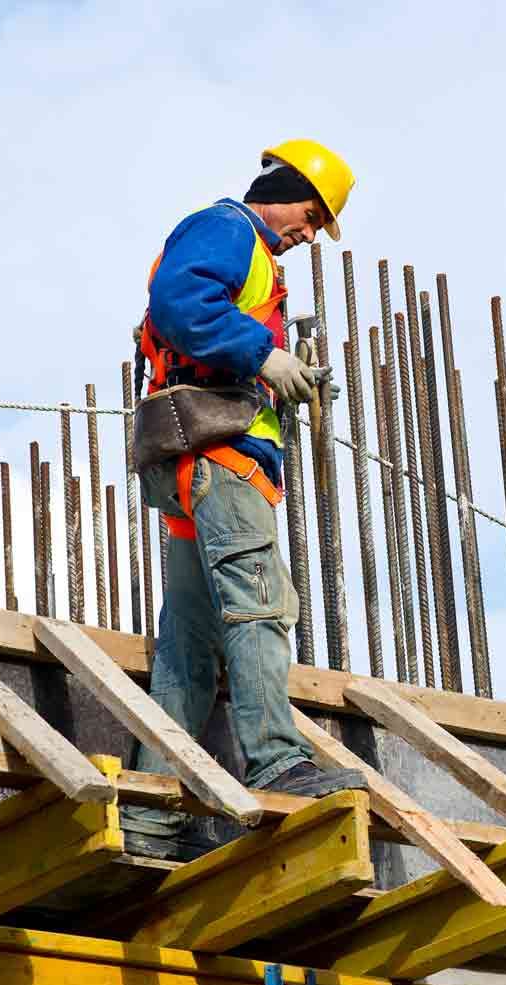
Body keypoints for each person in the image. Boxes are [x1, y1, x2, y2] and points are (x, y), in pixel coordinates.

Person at [121, 140, 366, 860]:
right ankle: (278, 760)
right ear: (282, 188)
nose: (310, 233)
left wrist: (281, 372)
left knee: (189, 649)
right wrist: (263, 357)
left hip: (200, 463)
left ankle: (151, 814)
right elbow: (179, 302)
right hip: (220, 460)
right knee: (261, 605)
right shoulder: (229, 229)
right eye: (311, 214)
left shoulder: (256, 259)